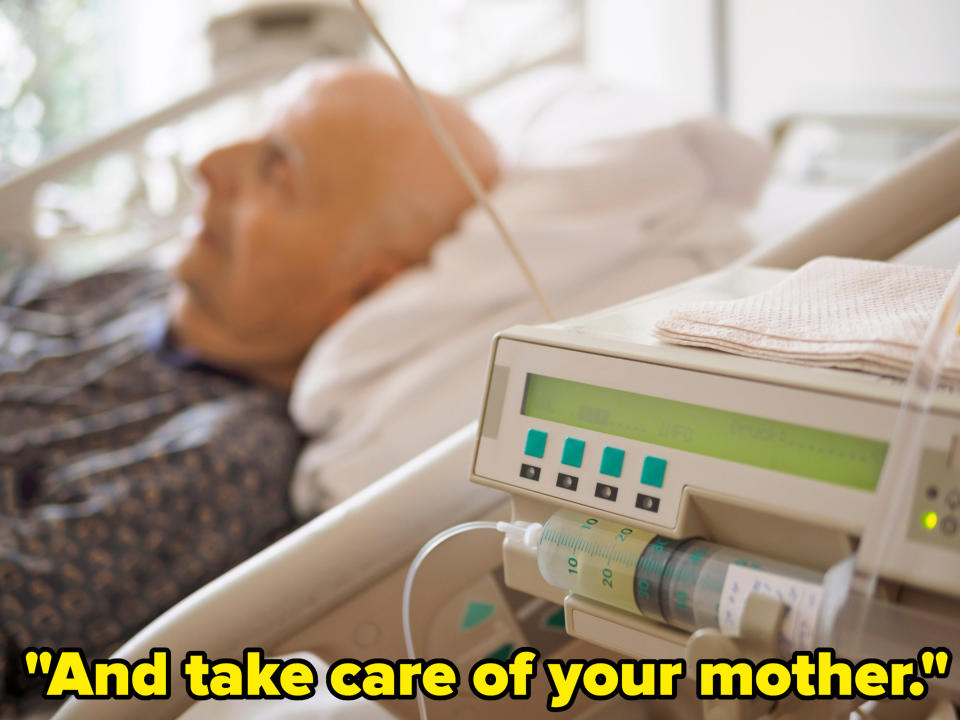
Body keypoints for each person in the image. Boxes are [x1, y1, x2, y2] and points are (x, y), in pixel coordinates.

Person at [0, 62, 498, 711]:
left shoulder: (224, 462)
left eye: (277, 171)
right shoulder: (139, 288)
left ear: (363, 290)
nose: (208, 163)